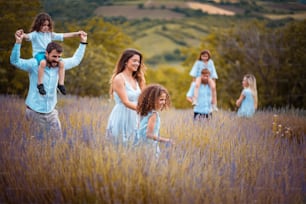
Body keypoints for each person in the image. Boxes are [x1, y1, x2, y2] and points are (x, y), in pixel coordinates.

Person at [10, 29, 88, 139]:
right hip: (34, 113)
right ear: (46, 54)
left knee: (57, 143)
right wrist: (18, 42)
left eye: (58, 57)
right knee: (35, 146)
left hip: (52, 114)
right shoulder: (34, 64)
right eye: (54, 56)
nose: (56, 60)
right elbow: (15, 61)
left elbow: (76, 60)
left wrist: (83, 42)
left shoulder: (60, 65)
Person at [21, 12, 84, 95]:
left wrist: (76, 34)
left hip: (50, 53)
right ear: (38, 24)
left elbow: (63, 35)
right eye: (43, 25)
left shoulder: (50, 34)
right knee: (43, 63)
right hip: (39, 54)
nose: (46, 27)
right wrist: (22, 35)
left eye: (47, 25)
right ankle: (40, 84)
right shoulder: (35, 34)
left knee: (61, 63)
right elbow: (27, 36)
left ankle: (61, 84)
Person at [106, 48, 146, 144]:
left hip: (135, 115)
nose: (137, 64)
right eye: (134, 61)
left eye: (138, 61)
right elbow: (126, 102)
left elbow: (143, 98)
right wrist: (143, 109)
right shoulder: (119, 78)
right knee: (120, 145)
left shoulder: (137, 79)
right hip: (122, 115)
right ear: (126, 61)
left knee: (135, 145)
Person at [136, 84, 173, 156]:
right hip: (149, 146)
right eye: (161, 99)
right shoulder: (153, 114)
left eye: (165, 99)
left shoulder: (145, 112)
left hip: (141, 144)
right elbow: (149, 134)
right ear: (153, 100)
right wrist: (166, 140)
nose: (164, 102)